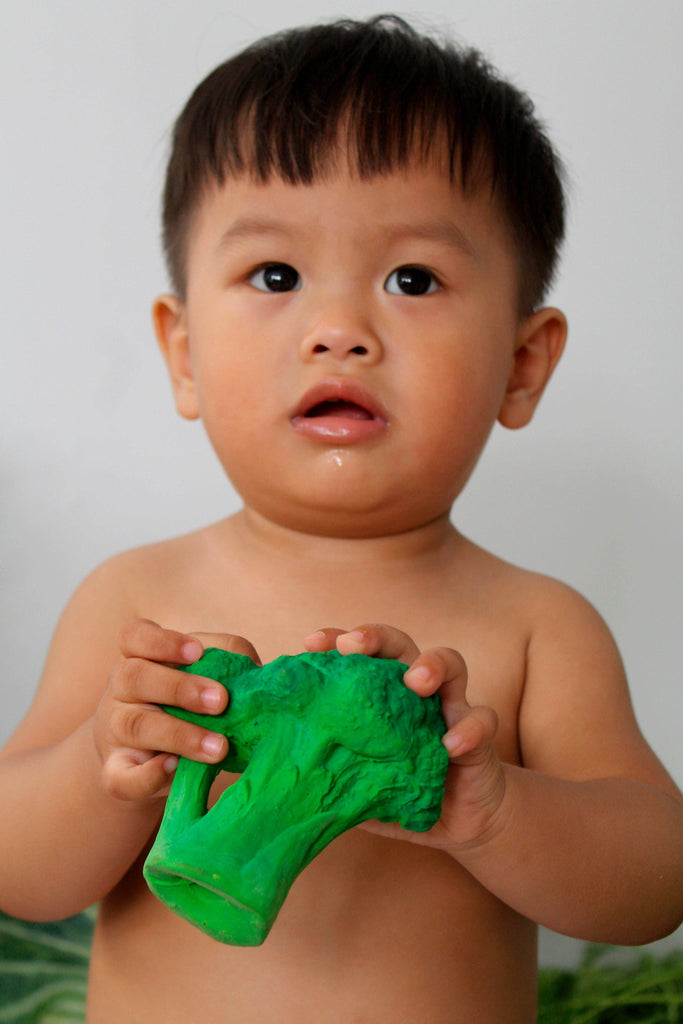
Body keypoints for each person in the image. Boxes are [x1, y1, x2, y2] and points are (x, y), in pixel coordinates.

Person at [1, 15, 681, 1023]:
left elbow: (653, 883)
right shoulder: (134, 603)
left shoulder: (538, 626)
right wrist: (107, 770)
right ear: (183, 353)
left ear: (521, 363)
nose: (337, 331)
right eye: (274, 276)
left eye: (411, 279)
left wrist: (493, 810)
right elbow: (21, 876)